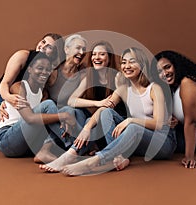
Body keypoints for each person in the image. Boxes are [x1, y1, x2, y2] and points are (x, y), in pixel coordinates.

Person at [40, 47, 176, 175]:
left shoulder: (154, 88)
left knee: (133, 127)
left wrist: (130, 120)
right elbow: (103, 110)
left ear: (142, 65)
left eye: (132, 62)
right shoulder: (123, 89)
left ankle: (94, 162)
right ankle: (74, 154)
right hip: (140, 144)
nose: (127, 66)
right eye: (124, 62)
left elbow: (158, 124)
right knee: (106, 113)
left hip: (162, 142)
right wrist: (87, 128)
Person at [37, 41, 126, 170]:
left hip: (115, 127)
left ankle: (70, 154)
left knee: (91, 120)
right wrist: (96, 103)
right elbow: (72, 100)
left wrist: (87, 127)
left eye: (102, 54)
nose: (97, 57)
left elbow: (107, 108)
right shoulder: (90, 77)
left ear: (109, 58)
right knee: (70, 110)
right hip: (97, 126)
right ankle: (76, 149)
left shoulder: (117, 77)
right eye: (94, 54)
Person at [0, 33, 64, 147]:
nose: (43, 46)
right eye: (43, 42)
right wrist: (7, 100)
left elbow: (38, 97)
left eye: (49, 46)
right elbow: (5, 83)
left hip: (23, 103)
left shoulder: (49, 69)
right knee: (1, 142)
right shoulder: (22, 56)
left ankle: (64, 144)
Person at [0, 52, 76, 157]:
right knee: (49, 105)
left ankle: (52, 149)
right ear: (29, 69)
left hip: (27, 144)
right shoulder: (19, 87)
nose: (44, 72)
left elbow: (46, 120)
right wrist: (63, 116)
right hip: (8, 140)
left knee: (63, 111)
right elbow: (30, 118)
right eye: (39, 68)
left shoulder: (43, 93)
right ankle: (74, 146)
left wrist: (65, 114)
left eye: (47, 70)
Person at [153, 50, 196, 169]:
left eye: (167, 67)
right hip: (182, 132)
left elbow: (191, 122)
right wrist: (173, 120)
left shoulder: (188, 83)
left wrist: (189, 156)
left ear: (176, 66)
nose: (164, 73)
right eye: (159, 71)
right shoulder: (173, 87)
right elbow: (182, 114)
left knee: (147, 133)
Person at [33, 34, 88, 163]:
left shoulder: (83, 73)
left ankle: (67, 149)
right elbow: (37, 95)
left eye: (83, 49)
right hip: (52, 120)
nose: (81, 52)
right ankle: (76, 148)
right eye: (78, 48)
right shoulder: (53, 71)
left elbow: (76, 102)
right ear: (66, 49)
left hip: (70, 119)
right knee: (55, 106)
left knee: (72, 110)